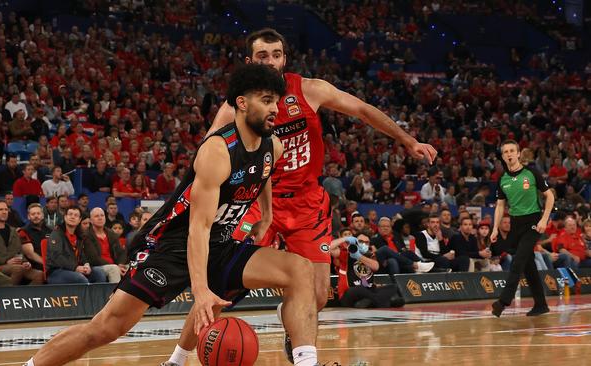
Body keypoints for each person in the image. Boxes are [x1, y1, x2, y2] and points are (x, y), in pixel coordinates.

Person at [26, 64, 320, 366]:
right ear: (242, 103)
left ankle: (300, 363)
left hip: (219, 242)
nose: (276, 109)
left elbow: (264, 171)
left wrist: (267, 215)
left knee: (300, 270)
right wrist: (201, 289)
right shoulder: (217, 151)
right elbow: (198, 228)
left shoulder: (274, 145)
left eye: (277, 101)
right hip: (172, 243)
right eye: (267, 100)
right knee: (105, 328)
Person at [183, 28, 437, 363]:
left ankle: (295, 332)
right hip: (259, 202)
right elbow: (207, 155)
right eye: (263, 56)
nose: (271, 62)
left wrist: (408, 141)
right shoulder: (236, 108)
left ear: (285, 58)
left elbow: (362, 109)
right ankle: (175, 358)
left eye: (276, 54)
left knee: (317, 295)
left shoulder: (309, 90)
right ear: (249, 61)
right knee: (218, 285)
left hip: (306, 203)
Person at [490, 140, 555, 317]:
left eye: (512, 151)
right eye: (506, 152)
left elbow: (549, 197)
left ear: (518, 154)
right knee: (528, 265)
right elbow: (500, 206)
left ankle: (503, 302)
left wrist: (544, 219)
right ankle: (541, 304)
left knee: (518, 260)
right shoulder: (502, 179)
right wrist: (495, 228)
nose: (509, 154)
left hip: (533, 221)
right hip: (515, 224)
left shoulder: (532, 173)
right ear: (503, 156)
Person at [0, 200, 44, 285]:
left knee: (39, 275)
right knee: (18, 269)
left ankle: (24, 297)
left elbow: (19, 252)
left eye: (6, 209)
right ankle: (7, 295)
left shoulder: (13, 231)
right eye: (0, 210)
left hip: (17, 265)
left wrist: (25, 262)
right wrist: (6, 261)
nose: (4, 212)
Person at [45, 206, 107, 285]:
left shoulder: (80, 235)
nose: (72, 217)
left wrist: (86, 264)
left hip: (74, 270)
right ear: (65, 217)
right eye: (70, 214)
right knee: (80, 278)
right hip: (56, 271)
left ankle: (98, 297)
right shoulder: (57, 234)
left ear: (79, 220)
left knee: (99, 273)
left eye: (76, 215)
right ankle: (86, 297)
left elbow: (82, 255)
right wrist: (75, 268)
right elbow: (57, 257)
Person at [83, 208, 128, 283]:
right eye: (96, 216)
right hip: (97, 266)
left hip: (115, 265)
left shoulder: (111, 233)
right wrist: (116, 266)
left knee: (131, 268)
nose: (100, 218)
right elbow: (94, 258)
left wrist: (120, 264)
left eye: (102, 215)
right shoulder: (87, 235)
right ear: (91, 220)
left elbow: (121, 252)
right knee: (113, 269)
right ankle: (115, 294)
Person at [18, 203, 52, 272]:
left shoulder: (51, 230)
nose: (36, 216)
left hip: (52, 264)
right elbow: (30, 254)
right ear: (28, 216)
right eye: (33, 214)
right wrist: (47, 264)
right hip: (35, 267)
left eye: (38, 213)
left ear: (42, 215)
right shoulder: (23, 232)